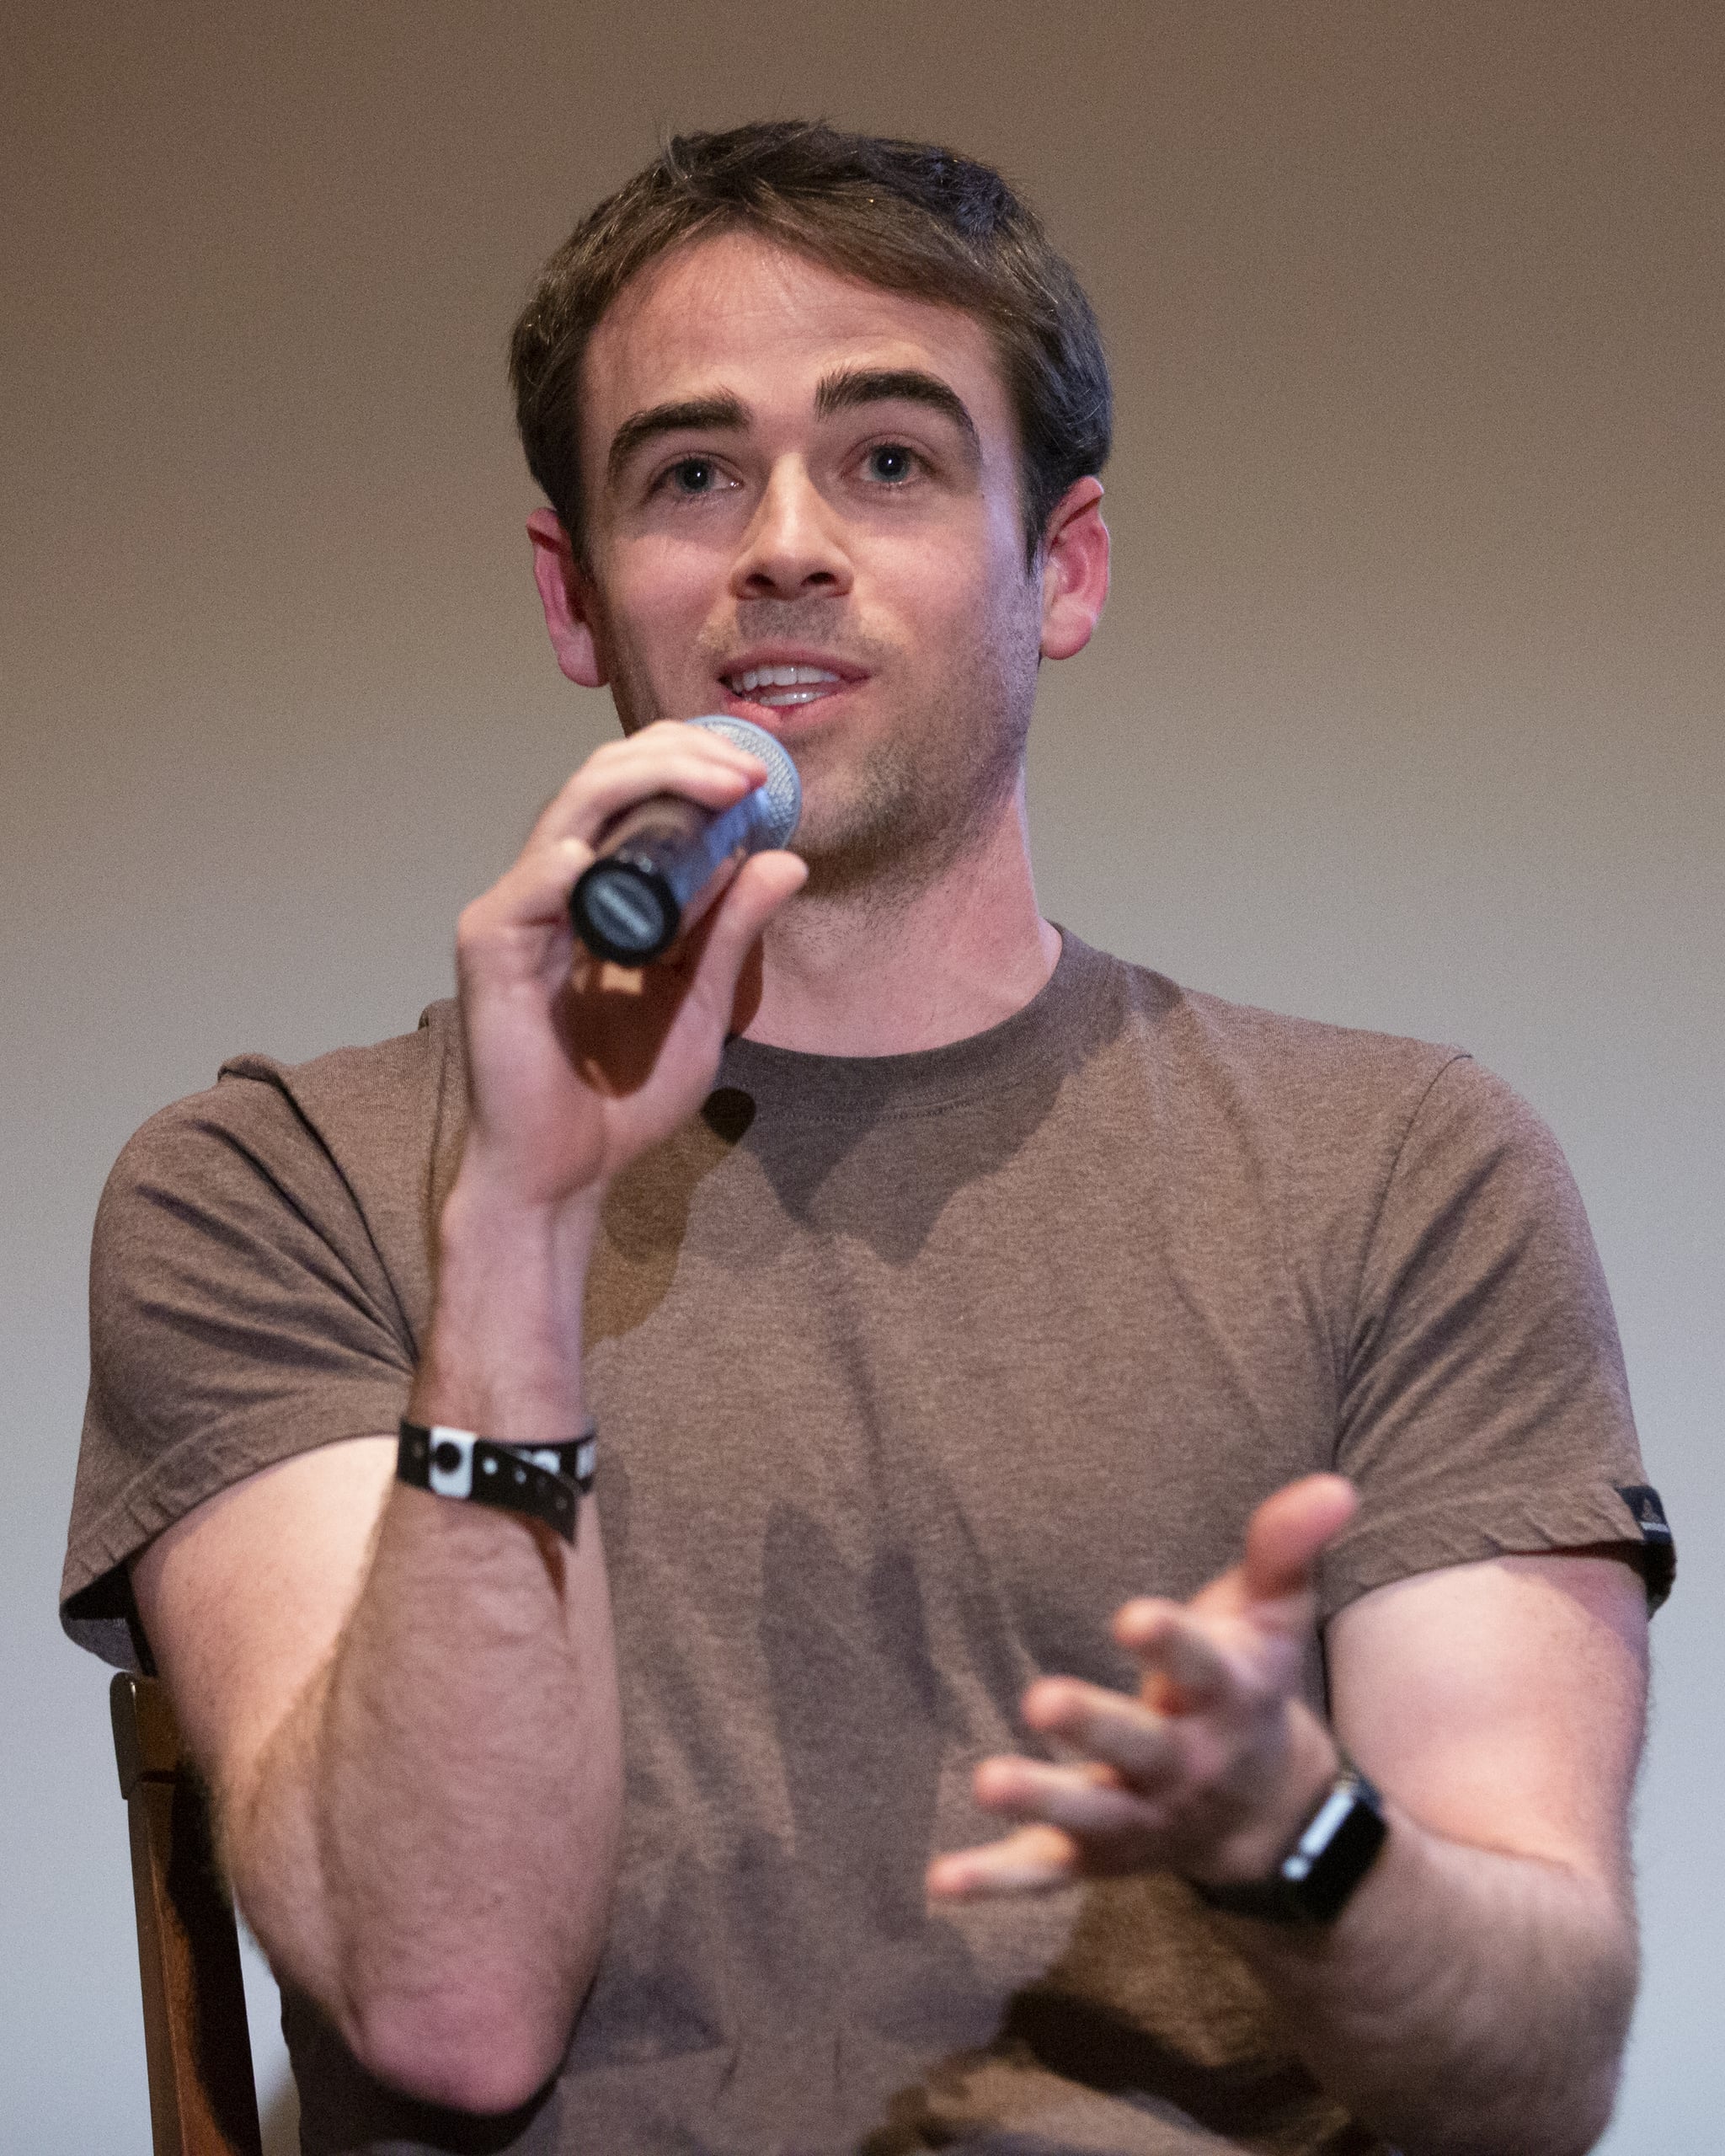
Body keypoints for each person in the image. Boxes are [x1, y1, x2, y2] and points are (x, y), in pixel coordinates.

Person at [62, 123, 1673, 2156]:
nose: (787, 545)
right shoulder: (278, 1183)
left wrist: (1300, 1831)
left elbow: (1532, 2078)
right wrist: (522, 1221)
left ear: (1059, 565)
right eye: (692, 473)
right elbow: (443, 2008)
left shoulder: (1403, 1168)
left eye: (891, 459)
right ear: (578, 592)